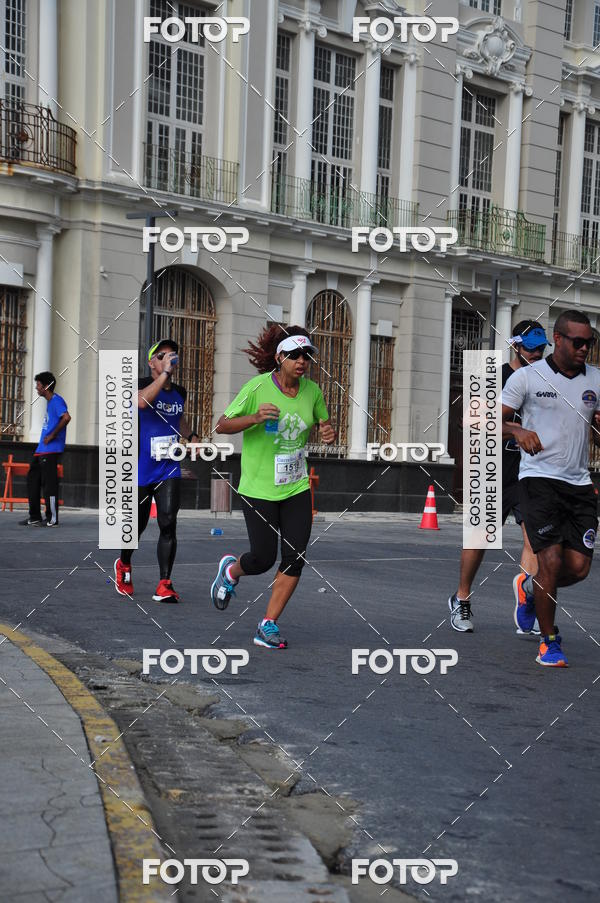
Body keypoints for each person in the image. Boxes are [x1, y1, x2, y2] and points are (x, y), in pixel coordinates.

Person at [210, 325, 335, 649]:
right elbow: (221, 425)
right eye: (294, 355)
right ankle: (232, 571)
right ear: (279, 358)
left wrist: (327, 431)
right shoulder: (257, 387)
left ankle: (268, 624)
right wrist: (253, 418)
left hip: (295, 488)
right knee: (263, 559)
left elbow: (323, 422)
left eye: (306, 355)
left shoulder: (313, 392)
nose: (302, 361)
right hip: (258, 489)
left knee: (295, 557)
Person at [502, 310, 600, 667]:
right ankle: (549, 642)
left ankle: (529, 590)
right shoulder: (528, 377)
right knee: (551, 559)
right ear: (557, 340)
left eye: (590, 342)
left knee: (577, 568)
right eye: (578, 342)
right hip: (538, 481)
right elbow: (487, 422)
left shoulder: (597, 381)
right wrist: (518, 431)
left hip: (579, 485)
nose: (584, 349)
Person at [448, 322, 550, 633]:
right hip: (491, 465)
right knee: (479, 539)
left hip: (530, 471)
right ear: (515, 345)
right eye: (531, 347)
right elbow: (470, 421)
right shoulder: (491, 374)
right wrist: (515, 429)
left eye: (542, 347)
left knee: (536, 539)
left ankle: (527, 603)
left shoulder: (545, 379)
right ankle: (461, 598)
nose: (536, 353)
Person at [113, 339, 199, 603]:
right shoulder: (138, 385)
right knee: (136, 528)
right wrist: (163, 375)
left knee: (168, 523)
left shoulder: (180, 392)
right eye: (162, 355)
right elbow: (141, 403)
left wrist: (192, 435)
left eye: (172, 354)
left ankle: (165, 583)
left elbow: (178, 418)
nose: (169, 358)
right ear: (151, 362)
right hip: (140, 467)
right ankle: (124, 563)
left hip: (168, 467)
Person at [20, 372, 70, 527]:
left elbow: (66, 417)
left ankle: (52, 519)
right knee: (32, 480)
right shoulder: (50, 403)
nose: (36, 387)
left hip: (51, 450)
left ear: (46, 386)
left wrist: (53, 435)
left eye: (39, 385)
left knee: (50, 485)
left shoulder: (56, 401)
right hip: (42, 450)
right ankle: (34, 516)